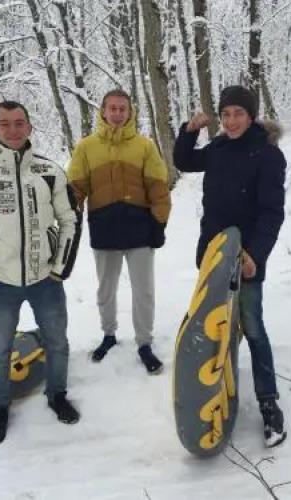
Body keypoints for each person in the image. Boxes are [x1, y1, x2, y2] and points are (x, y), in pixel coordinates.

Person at [0, 101, 82, 444]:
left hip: (46, 280)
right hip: (0, 283)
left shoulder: (49, 171)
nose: (13, 130)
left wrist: (60, 268)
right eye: (5, 123)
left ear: (29, 127)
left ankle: (57, 395)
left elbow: (70, 219)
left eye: (19, 122)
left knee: (57, 342)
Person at [173, 85, 287, 447]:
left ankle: (268, 402)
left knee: (252, 327)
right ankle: (217, 387)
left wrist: (256, 254)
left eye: (238, 113)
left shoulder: (268, 154)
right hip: (213, 255)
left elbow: (272, 212)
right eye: (225, 115)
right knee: (215, 324)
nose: (232, 121)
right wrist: (189, 132)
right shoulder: (219, 148)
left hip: (247, 258)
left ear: (251, 116)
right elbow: (184, 162)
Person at [67, 89, 171, 374]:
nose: (117, 113)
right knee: (106, 289)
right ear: (103, 111)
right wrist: (68, 216)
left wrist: (159, 224)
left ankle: (144, 343)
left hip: (140, 230)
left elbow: (158, 188)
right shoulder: (86, 147)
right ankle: (109, 334)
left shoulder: (145, 146)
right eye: (112, 108)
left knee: (144, 291)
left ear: (130, 112)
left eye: (122, 108)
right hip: (104, 229)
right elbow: (75, 189)